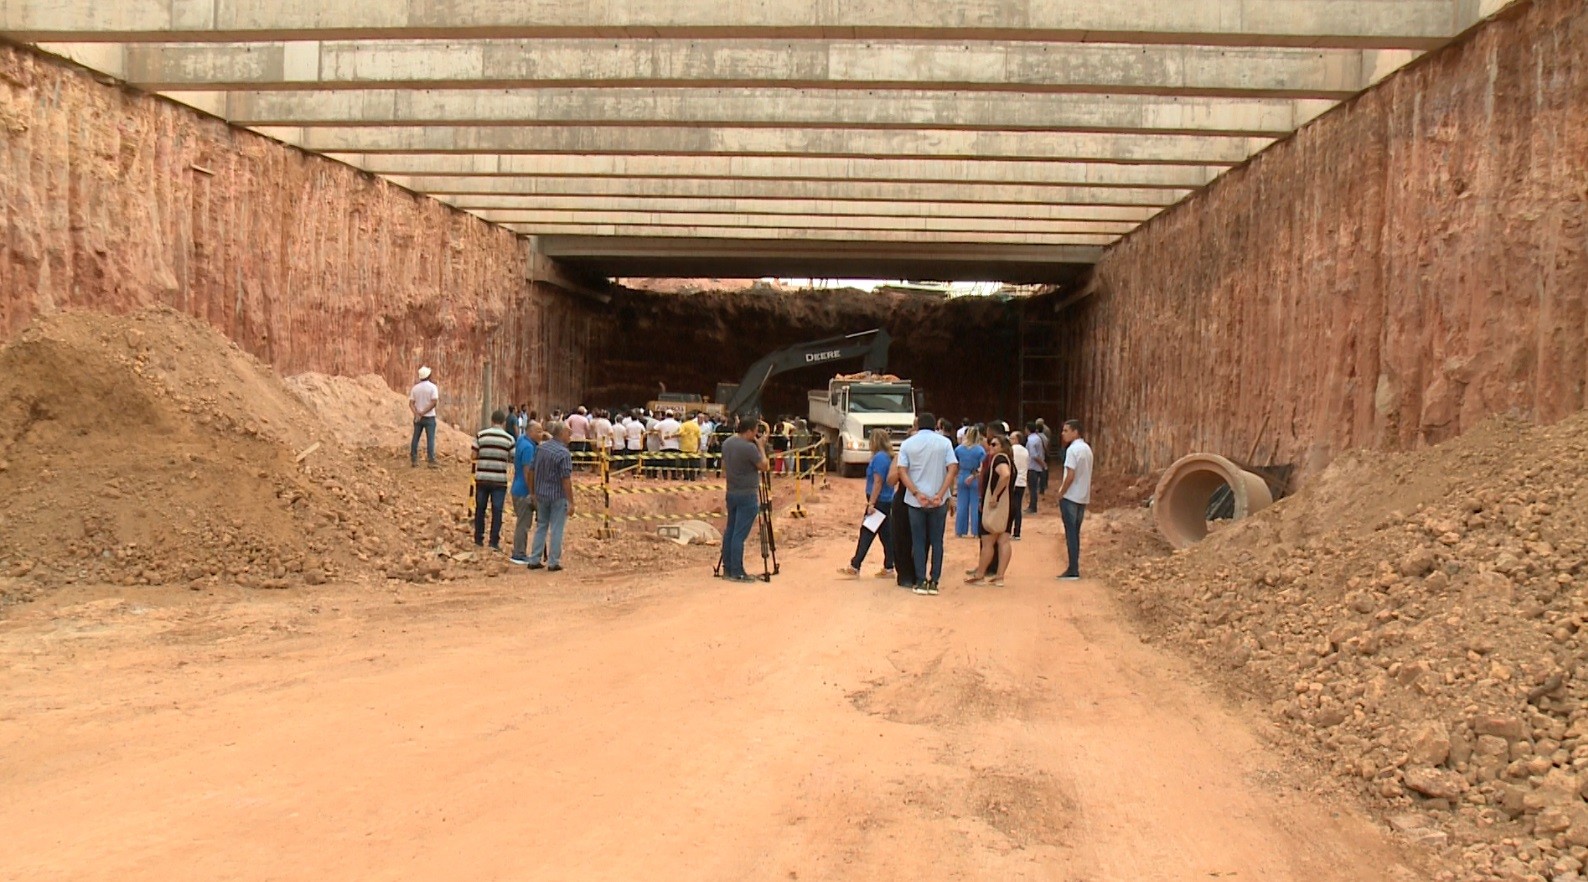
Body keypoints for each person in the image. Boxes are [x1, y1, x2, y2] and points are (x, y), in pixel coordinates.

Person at [894, 412, 957, 596]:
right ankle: (934, 580)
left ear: (917, 426)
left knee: (918, 541)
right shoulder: (944, 443)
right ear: (934, 426)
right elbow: (952, 469)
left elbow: (902, 471)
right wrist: (941, 493)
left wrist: (915, 492)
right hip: (938, 500)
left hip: (915, 501)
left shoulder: (907, 444)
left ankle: (920, 580)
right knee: (937, 541)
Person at [837, 429, 896, 579]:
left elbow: (878, 481)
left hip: (879, 501)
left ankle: (855, 565)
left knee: (867, 533)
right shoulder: (887, 457)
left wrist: (871, 503)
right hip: (885, 500)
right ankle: (889, 566)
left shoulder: (879, 458)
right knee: (886, 535)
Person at [720, 417, 769, 583]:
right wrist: (761, 447)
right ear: (748, 431)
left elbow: (724, 465)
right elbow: (764, 466)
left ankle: (727, 568)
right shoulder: (749, 448)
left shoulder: (727, 443)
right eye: (755, 431)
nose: (757, 434)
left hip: (732, 491)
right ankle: (737, 571)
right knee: (739, 535)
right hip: (747, 494)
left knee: (731, 531)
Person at [966, 435, 1014, 586]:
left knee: (988, 540)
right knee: (1003, 540)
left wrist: (995, 495)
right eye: (990, 444)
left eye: (994, 444)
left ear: (1003, 447)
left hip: (997, 505)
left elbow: (1005, 475)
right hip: (1009, 505)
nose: (990, 447)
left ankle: (980, 574)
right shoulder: (1009, 460)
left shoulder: (999, 459)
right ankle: (999, 576)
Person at [528, 420, 575, 571]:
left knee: (541, 526)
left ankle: (534, 558)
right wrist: (571, 501)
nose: (571, 435)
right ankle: (553, 561)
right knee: (557, 528)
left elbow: (531, 471)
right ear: (561, 433)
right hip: (557, 496)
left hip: (541, 494)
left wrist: (533, 492)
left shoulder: (541, 449)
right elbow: (565, 479)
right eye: (569, 432)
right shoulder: (564, 453)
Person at [471, 410, 516, 550]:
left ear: (491, 420)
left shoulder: (481, 435)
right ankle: (493, 542)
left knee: (480, 509)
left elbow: (473, 455)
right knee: (497, 511)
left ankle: (478, 539)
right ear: (503, 422)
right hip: (499, 480)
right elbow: (512, 457)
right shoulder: (509, 439)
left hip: (482, 478)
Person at [1054, 419, 1093, 581]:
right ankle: (1074, 566)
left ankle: (1073, 569)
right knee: (1075, 532)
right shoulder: (1087, 449)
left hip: (1071, 496)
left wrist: (1061, 492)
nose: (1063, 434)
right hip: (1082, 496)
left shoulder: (1072, 450)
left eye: (1066, 430)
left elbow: (1070, 475)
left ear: (1075, 432)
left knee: (1071, 533)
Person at [509, 420, 541, 565]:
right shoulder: (529, 448)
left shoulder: (521, 440)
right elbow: (528, 471)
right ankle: (518, 553)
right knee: (524, 524)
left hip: (517, 487)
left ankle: (519, 551)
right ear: (530, 431)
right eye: (538, 431)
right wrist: (532, 492)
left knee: (522, 522)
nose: (541, 434)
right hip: (524, 491)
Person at [953, 426, 986, 539]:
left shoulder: (959, 449)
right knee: (975, 505)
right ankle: (976, 531)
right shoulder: (980, 450)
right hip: (974, 477)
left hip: (962, 476)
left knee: (961, 504)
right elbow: (982, 467)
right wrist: (974, 475)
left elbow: (955, 465)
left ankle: (960, 530)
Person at [408, 366, 440, 467]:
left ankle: (414, 459)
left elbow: (411, 403)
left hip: (418, 418)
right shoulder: (433, 387)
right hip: (429, 417)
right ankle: (431, 460)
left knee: (415, 438)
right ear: (429, 375)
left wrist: (417, 413)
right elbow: (434, 402)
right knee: (430, 439)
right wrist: (423, 412)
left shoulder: (415, 388)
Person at [1009, 430, 1030, 541]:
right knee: (1018, 507)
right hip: (1021, 481)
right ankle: (1017, 532)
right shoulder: (1026, 451)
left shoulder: (1011, 450)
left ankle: (1007, 530)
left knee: (1009, 507)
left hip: (1012, 481)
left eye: (1012, 438)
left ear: (1016, 439)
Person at [1025, 421, 1048, 513]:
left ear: (1027, 429)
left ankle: (1032, 507)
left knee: (1032, 488)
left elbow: (1034, 455)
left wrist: (1042, 464)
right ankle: (1032, 506)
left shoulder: (1031, 440)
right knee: (1034, 488)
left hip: (1032, 466)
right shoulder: (1038, 438)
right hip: (1036, 467)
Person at [678, 411, 702, 481]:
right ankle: (692, 478)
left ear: (686, 418)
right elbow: (699, 437)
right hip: (694, 447)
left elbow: (680, 433)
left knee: (684, 463)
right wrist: (698, 447)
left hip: (684, 447)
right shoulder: (696, 425)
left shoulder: (684, 425)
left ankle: (686, 477)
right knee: (693, 463)